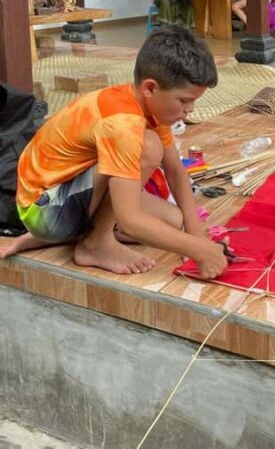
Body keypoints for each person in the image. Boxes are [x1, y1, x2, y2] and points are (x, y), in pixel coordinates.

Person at [0, 26, 227, 280]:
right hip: (45, 207)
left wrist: (194, 233)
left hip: (66, 197)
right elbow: (130, 220)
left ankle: (78, 235)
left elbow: (175, 171)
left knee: (174, 220)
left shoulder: (149, 106)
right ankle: (96, 243)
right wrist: (199, 250)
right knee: (149, 147)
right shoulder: (122, 123)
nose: (190, 109)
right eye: (184, 100)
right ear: (150, 88)